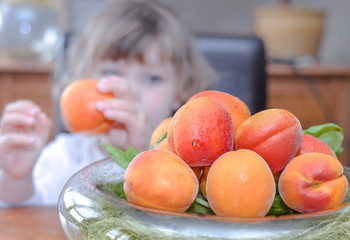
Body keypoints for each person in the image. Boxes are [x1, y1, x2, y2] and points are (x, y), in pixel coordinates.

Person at [0, 0, 216, 207]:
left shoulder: (189, 168)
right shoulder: (64, 155)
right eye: (111, 73)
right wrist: (16, 177)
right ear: (83, 79)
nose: (127, 90)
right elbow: (29, 214)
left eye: (152, 78)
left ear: (182, 91)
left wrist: (138, 155)